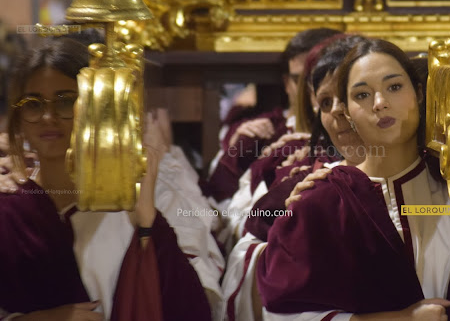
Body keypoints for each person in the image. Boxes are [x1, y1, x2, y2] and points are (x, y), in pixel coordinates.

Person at [256, 39, 450, 321]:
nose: (380, 103)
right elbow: (285, 312)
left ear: (419, 93)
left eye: (394, 87)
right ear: (346, 111)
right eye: (362, 95)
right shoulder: (322, 202)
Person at [0, 37, 215, 320]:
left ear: (96, 110)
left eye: (66, 102)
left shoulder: (129, 207)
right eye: (33, 104)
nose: (48, 116)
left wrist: (147, 225)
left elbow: (187, 308)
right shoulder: (9, 210)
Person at [222, 35, 369, 321]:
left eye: (356, 94)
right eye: (325, 101)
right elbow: (283, 294)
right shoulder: (309, 178)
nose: (339, 110)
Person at [201, 28, 341, 209]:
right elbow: (217, 207)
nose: (307, 90)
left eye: (317, 79)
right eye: (298, 80)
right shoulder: (260, 133)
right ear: (286, 83)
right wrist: (235, 154)